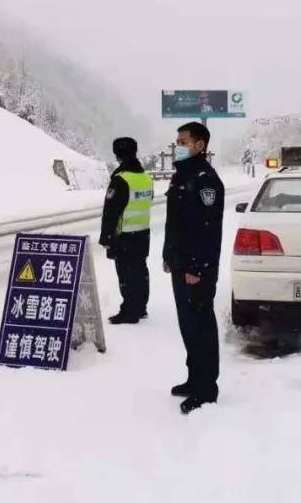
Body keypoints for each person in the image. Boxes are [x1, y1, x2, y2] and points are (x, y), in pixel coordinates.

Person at [163, 121, 225, 414]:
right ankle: (193, 378)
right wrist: (169, 256)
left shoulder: (205, 180)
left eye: (183, 141)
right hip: (181, 265)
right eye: (177, 140)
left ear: (200, 145)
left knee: (201, 327)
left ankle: (206, 388)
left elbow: (206, 230)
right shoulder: (182, 176)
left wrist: (196, 267)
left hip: (196, 269)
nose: (179, 145)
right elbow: (175, 225)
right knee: (188, 326)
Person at [99, 137, 154, 325]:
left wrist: (106, 237)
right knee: (140, 271)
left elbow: (110, 212)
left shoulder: (121, 180)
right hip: (142, 234)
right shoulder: (146, 178)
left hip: (124, 236)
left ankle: (130, 311)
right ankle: (141, 307)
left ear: (118, 154)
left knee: (126, 274)